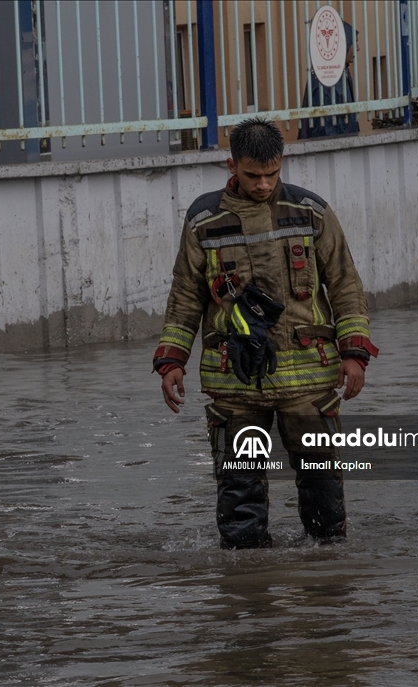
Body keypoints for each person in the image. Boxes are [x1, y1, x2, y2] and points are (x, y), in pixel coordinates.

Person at [153, 117, 377, 549]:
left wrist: (354, 354)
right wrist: (171, 360)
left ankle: (329, 574)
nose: (263, 184)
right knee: (239, 494)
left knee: (323, 491)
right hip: (235, 382)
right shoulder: (203, 220)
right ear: (231, 165)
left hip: (308, 380)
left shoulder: (311, 213)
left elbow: (346, 284)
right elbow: (185, 295)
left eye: (272, 174)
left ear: (282, 162)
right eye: (253, 175)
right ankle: (245, 582)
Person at [299, 23, 360, 139]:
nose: (358, 48)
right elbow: (326, 131)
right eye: (354, 42)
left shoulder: (342, 72)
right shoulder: (327, 79)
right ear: (344, 44)